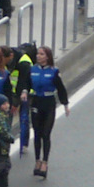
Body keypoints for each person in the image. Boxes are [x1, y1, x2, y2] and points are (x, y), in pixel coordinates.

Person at [27, 46, 70, 178]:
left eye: (41, 54)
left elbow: (61, 88)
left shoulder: (53, 71)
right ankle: (37, 161)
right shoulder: (32, 70)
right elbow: (26, 85)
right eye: (38, 54)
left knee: (46, 134)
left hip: (49, 103)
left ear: (47, 57)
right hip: (36, 102)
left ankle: (45, 161)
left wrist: (65, 104)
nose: (38, 56)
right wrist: (24, 93)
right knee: (37, 133)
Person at [8, 42, 36, 152]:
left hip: (26, 92)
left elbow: (23, 83)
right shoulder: (6, 59)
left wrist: (15, 103)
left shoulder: (24, 62)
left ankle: (24, 144)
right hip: (12, 92)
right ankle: (6, 141)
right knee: (8, 116)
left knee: (24, 117)